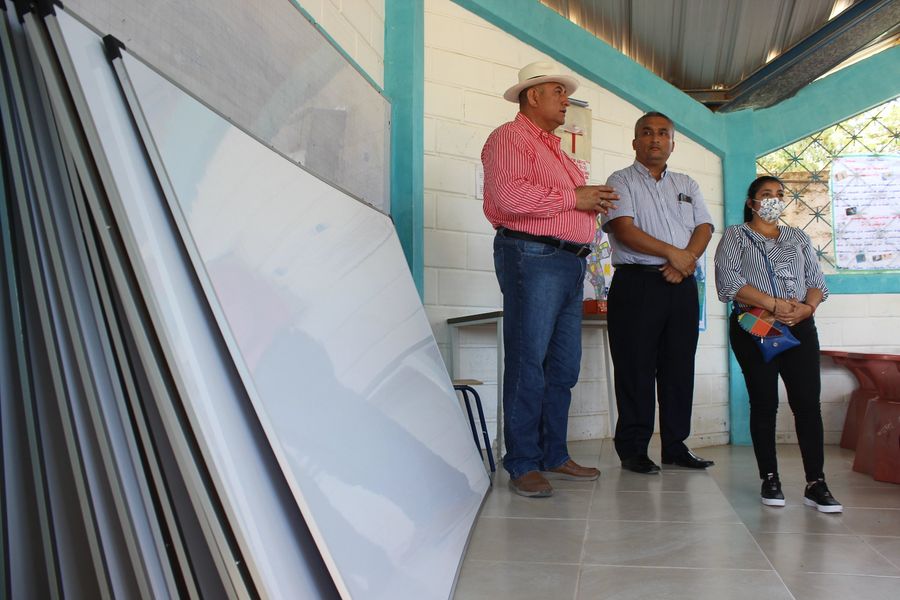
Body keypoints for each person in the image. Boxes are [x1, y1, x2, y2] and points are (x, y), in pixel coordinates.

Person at [481, 61, 619, 497]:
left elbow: (567, 202)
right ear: (532, 95)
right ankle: (523, 461)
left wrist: (590, 203)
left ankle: (553, 454)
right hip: (532, 256)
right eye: (558, 91)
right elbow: (507, 196)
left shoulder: (557, 151)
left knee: (562, 366)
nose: (565, 100)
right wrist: (575, 197)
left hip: (570, 262)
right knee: (529, 360)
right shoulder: (510, 137)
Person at [714, 175, 842, 513]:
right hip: (756, 325)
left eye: (779, 194)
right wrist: (773, 304)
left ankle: (816, 483)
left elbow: (816, 281)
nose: (774, 199)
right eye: (766, 194)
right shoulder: (736, 236)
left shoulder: (798, 237)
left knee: (807, 404)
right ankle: (770, 478)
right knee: (764, 402)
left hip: (800, 327)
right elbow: (729, 282)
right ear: (751, 202)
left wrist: (806, 308)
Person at [602, 112, 715, 474]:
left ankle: (676, 446)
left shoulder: (687, 183)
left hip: (682, 284)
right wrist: (673, 254)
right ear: (635, 142)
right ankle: (634, 449)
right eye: (647, 133)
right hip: (637, 283)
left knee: (679, 366)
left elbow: (704, 226)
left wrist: (686, 260)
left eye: (663, 133)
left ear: (672, 143)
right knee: (635, 367)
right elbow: (623, 229)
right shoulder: (620, 180)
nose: (655, 139)